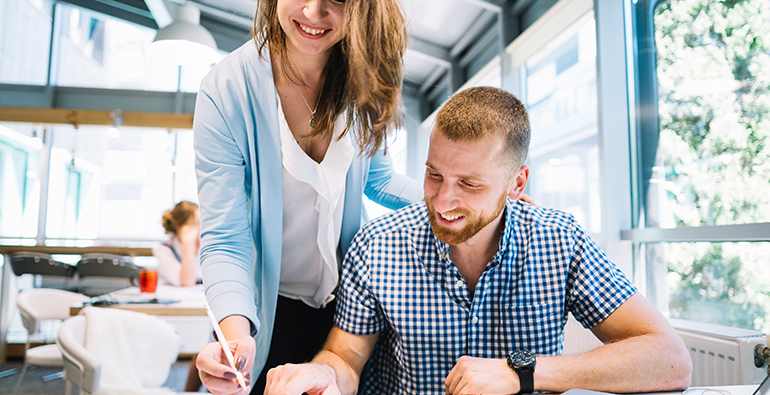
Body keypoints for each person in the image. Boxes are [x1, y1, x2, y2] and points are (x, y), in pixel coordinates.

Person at [264, 86, 693, 395]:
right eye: (435, 174)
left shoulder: (559, 241)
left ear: (516, 183)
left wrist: (522, 374)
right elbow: (345, 359)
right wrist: (321, 375)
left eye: (469, 184)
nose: (443, 200)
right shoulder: (378, 244)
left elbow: (670, 360)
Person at [192, 0, 423, 394]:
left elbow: (380, 181)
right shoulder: (227, 90)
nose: (314, 12)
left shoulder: (362, 76)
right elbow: (225, 239)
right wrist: (236, 338)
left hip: (348, 311)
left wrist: (469, 202)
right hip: (265, 310)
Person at [152, 200, 202, 287]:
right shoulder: (164, 250)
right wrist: (188, 244)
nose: (201, 228)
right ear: (179, 227)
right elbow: (187, 282)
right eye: (196, 224)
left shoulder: (206, 245)